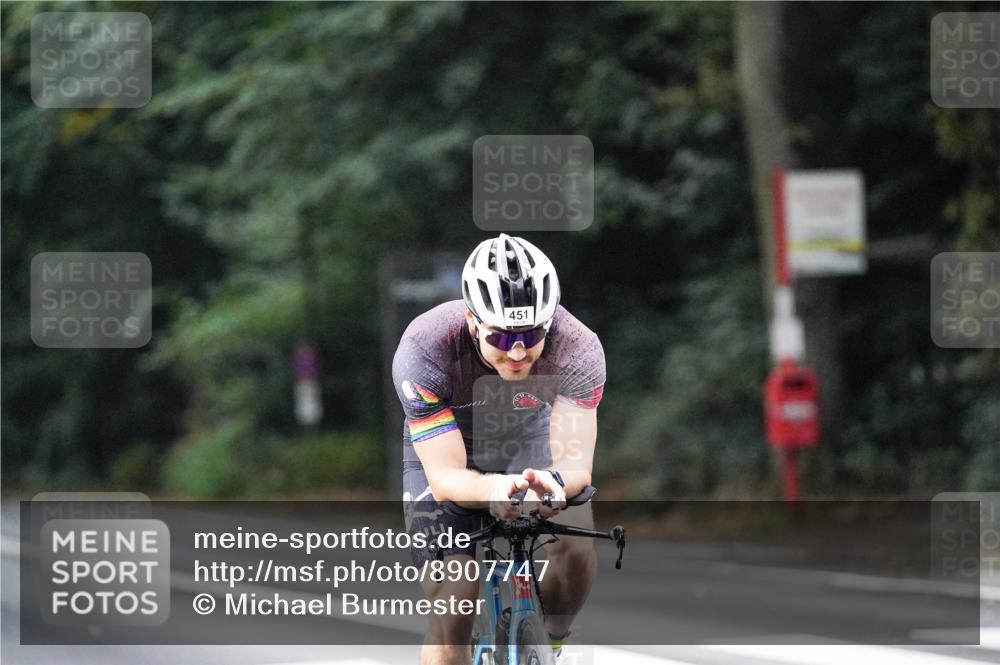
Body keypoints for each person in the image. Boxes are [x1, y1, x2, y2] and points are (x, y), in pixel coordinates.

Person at [393, 233, 606, 665]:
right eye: (503, 338)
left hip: (530, 437)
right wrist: (491, 490)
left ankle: (552, 643)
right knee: (454, 603)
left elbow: (575, 463)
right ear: (472, 320)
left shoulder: (579, 348)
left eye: (530, 333)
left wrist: (555, 483)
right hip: (449, 450)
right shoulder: (425, 349)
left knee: (575, 550)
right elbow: (445, 477)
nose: (518, 351)